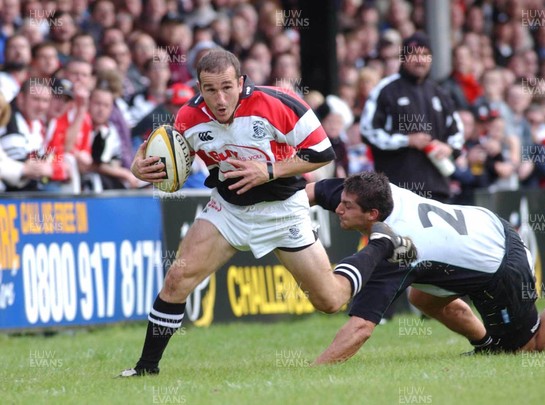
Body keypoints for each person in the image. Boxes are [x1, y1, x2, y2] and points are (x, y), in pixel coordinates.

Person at [119, 49, 414, 377]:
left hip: (283, 211)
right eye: (210, 89)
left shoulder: (277, 103)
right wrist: (138, 166)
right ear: (199, 87)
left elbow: (322, 152)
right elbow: (160, 152)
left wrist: (269, 170)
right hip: (228, 210)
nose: (219, 98)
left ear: (241, 82)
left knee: (330, 300)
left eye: (227, 87)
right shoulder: (189, 117)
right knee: (176, 279)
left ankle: (381, 245)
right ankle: (146, 369)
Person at [307, 171, 545, 364]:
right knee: (422, 297)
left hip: (501, 264)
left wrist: (316, 369)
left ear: (372, 214)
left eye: (346, 206)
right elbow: (317, 191)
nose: (338, 210)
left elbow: (360, 328)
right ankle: (485, 344)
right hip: (484, 223)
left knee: (528, 349)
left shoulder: (397, 249)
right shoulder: (379, 193)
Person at [360, 32, 464, 203]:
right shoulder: (386, 89)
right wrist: (406, 141)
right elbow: (368, 131)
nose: (420, 60)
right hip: (397, 192)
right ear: (403, 57)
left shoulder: (440, 93)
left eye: (425, 55)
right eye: (414, 54)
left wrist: (449, 148)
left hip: (437, 190)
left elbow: (457, 132)